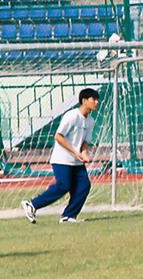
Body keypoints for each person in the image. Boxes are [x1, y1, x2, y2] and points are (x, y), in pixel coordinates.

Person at [21, 87, 99, 224]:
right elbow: (58, 136)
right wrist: (75, 152)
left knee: (84, 185)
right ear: (84, 100)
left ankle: (68, 216)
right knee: (64, 185)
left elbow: (85, 142)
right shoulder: (72, 116)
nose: (97, 102)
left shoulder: (90, 121)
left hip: (76, 161)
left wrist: (84, 153)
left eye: (97, 99)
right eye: (94, 99)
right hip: (62, 159)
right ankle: (32, 204)